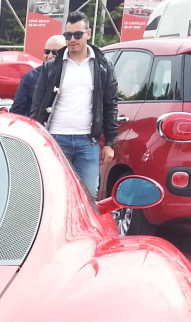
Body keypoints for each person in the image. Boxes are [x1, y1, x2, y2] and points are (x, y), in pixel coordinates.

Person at [28, 10, 118, 199]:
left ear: (88, 34)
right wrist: (36, 136)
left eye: (77, 34)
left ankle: (82, 230)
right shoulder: (52, 66)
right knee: (56, 195)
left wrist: (110, 143)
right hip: (55, 139)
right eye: (68, 35)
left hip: (87, 141)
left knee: (88, 196)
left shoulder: (103, 66)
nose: (72, 40)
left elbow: (110, 104)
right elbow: (37, 105)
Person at [11, 34, 64, 118]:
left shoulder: (71, 77)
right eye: (47, 52)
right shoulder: (30, 77)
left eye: (55, 52)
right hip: (36, 128)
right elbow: (17, 111)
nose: (50, 56)